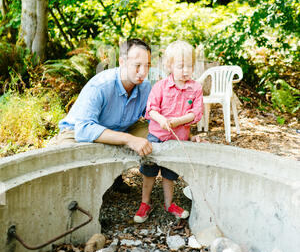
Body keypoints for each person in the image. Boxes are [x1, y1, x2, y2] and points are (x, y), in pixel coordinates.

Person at [48, 39, 153, 190]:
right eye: (137, 65)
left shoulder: (145, 87)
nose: (143, 72)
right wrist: (129, 139)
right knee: (71, 176)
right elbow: (83, 129)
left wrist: (186, 135)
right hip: (76, 132)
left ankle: (115, 175)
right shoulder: (101, 85)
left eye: (147, 65)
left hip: (118, 130)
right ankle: (92, 180)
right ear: (122, 62)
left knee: (153, 132)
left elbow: (154, 117)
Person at [134, 40, 204, 224]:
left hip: (177, 140)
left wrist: (178, 121)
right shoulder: (161, 86)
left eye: (190, 66)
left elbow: (196, 113)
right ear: (169, 66)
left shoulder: (195, 88)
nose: (186, 71)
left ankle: (169, 203)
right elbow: (151, 109)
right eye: (181, 66)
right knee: (149, 170)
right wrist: (162, 120)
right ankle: (145, 203)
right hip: (157, 137)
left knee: (169, 173)